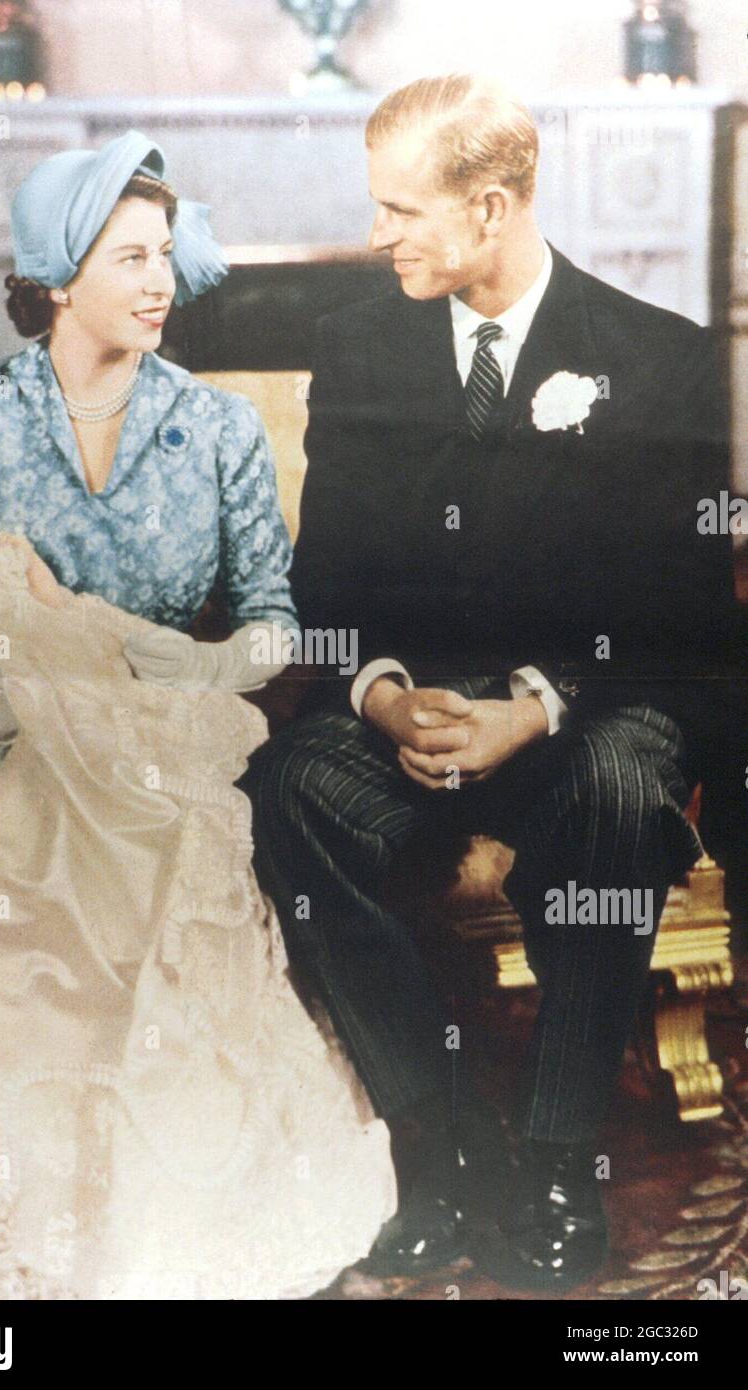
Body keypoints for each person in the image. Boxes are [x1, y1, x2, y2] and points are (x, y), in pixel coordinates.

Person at [0, 133, 397, 1298]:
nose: (158, 282)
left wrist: (187, 679)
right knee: (20, 864)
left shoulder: (215, 431)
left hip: (160, 747)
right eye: (127, 258)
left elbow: (270, 623)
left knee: (166, 862)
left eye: (164, 255)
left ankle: (189, 1239)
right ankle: (55, 1255)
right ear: (59, 277)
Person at [239, 73, 747, 1291]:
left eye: (400, 210)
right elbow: (330, 577)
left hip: (577, 709)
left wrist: (533, 703)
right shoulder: (355, 347)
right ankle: (446, 1142)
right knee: (280, 795)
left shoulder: (657, 358)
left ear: (490, 206)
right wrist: (378, 691)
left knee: (627, 789)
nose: (376, 237)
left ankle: (562, 1155)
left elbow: (674, 604)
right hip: (410, 708)